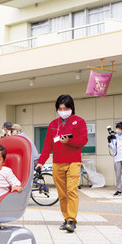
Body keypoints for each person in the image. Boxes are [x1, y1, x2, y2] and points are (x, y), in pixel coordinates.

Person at [36, 94, 88, 233]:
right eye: (60, 108)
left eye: (65, 108)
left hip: (73, 162)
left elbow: (83, 140)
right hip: (58, 162)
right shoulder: (53, 124)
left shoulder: (79, 122)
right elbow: (47, 145)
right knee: (62, 193)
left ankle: (72, 220)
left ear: (71, 108)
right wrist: (41, 162)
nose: (63, 111)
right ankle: (66, 219)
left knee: (71, 191)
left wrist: (69, 141)